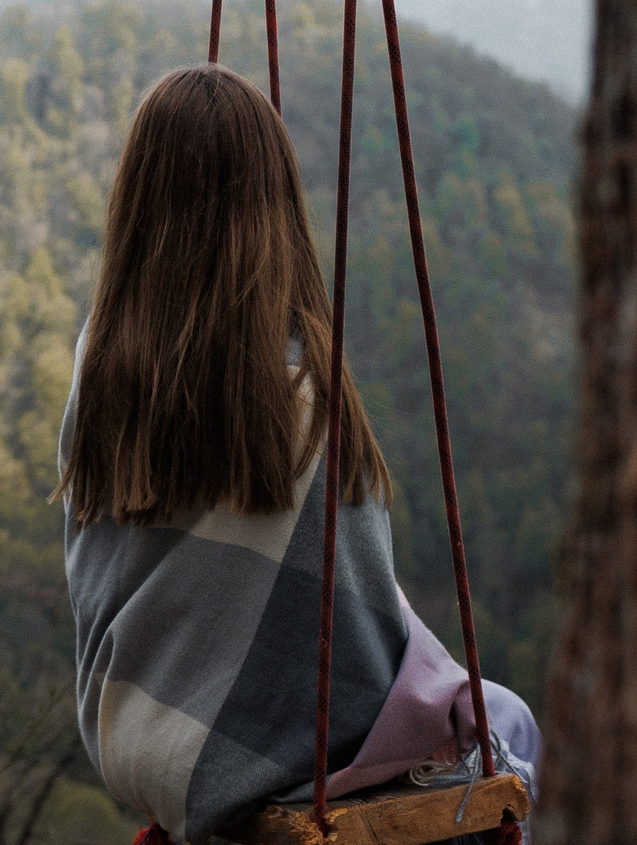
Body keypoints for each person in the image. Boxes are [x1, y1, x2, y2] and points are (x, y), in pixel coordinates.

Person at [59, 64, 539, 844]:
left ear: (137, 197)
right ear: (275, 206)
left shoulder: (99, 364)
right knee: (508, 723)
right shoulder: (299, 397)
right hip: (270, 764)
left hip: (133, 729)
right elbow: (353, 638)